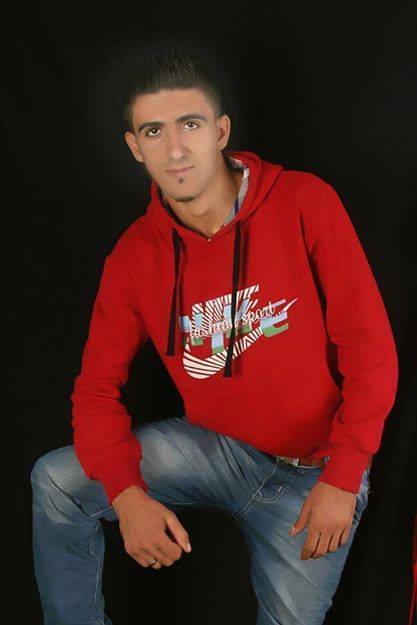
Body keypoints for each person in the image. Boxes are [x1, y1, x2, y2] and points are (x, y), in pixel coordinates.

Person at [30, 41, 399, 625]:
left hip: (315, 473)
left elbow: (371, 349)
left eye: (190, 124)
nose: (175, 149)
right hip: (218, 449)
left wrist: (345, 475)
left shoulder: (304, 202)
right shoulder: (134, 256)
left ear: (221, 131)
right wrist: (127, 495)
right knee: (56, 480)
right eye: (153, 132)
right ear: (134, 147)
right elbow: (95, 389)